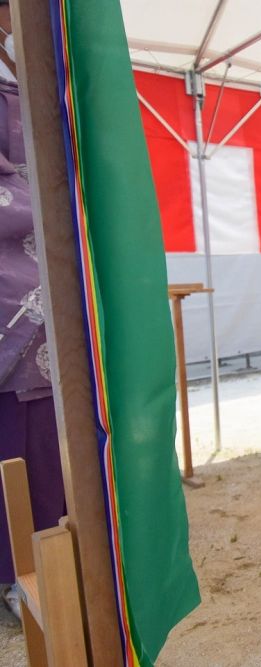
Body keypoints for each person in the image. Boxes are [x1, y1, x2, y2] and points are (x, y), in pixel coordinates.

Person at [0, 5, 65, 620]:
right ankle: (17, 573)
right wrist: (51, 195)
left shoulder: (23, 68)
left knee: (41, 448)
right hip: (11, 289)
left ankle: (37, 567)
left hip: (37, 295)